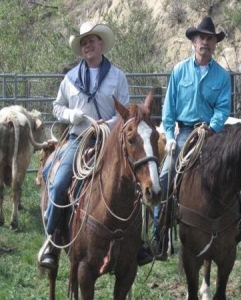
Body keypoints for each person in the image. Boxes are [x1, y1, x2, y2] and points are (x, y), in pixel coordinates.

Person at [38, 21, 152, 269]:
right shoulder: (70, 79)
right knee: (59, 183)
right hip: (79, 138)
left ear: (101, 44)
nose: (88, 45)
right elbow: (57, 106)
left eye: (92, 41)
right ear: (81, 49)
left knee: (135, 181)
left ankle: (139, 241)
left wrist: (109, 123)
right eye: (84, 43)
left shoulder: (117, 76)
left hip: (110, 140)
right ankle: (52, 238)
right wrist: (72, 116)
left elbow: (125, 112)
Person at [152, 16, 241, 260]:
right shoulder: (179, 71)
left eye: (210, 38)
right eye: (201, 37)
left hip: (213, 134)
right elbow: (168, 109)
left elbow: (223, 108)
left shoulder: (222, 77)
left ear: (215, 44)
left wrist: (211, 127)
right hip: (184, 134)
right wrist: (170, 136)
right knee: (166, 174)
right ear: (194, 41)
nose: (205, 42)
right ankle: (158, 233)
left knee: (240, 168)